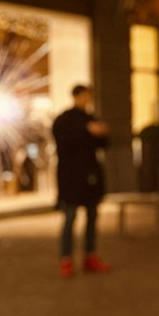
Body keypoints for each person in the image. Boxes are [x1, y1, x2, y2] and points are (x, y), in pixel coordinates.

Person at [52, 84, 111, 278]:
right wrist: (87, 131)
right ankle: (66, 259)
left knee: (92, 216)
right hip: (71, 177)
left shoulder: (91, 118)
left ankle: (90, 255)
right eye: (85, 95)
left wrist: (102, 133)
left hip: (90, 176)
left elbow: (104, 143)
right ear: (77, 96)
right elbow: (63, 142)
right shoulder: (65, 120)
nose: (87, 99)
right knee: (70, 217)